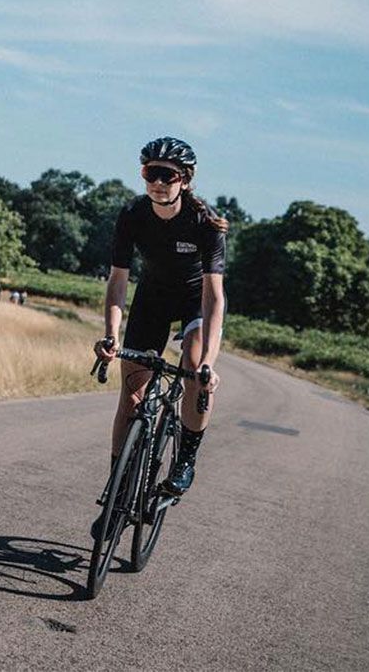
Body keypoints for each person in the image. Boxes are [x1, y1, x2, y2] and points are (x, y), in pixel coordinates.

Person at [93, 136, 227, 529]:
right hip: (152, 298)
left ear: (185, 180)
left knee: (194, 367)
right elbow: (118, 281)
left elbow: (214, 298)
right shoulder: (133, 214)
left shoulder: (205, 222)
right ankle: (117, 495)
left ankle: (185, 459)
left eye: (167, 175)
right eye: (151, 173)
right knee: (131, 396)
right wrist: (111, 335)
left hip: (194, 300)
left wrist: (209, 362)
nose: (158, 182)